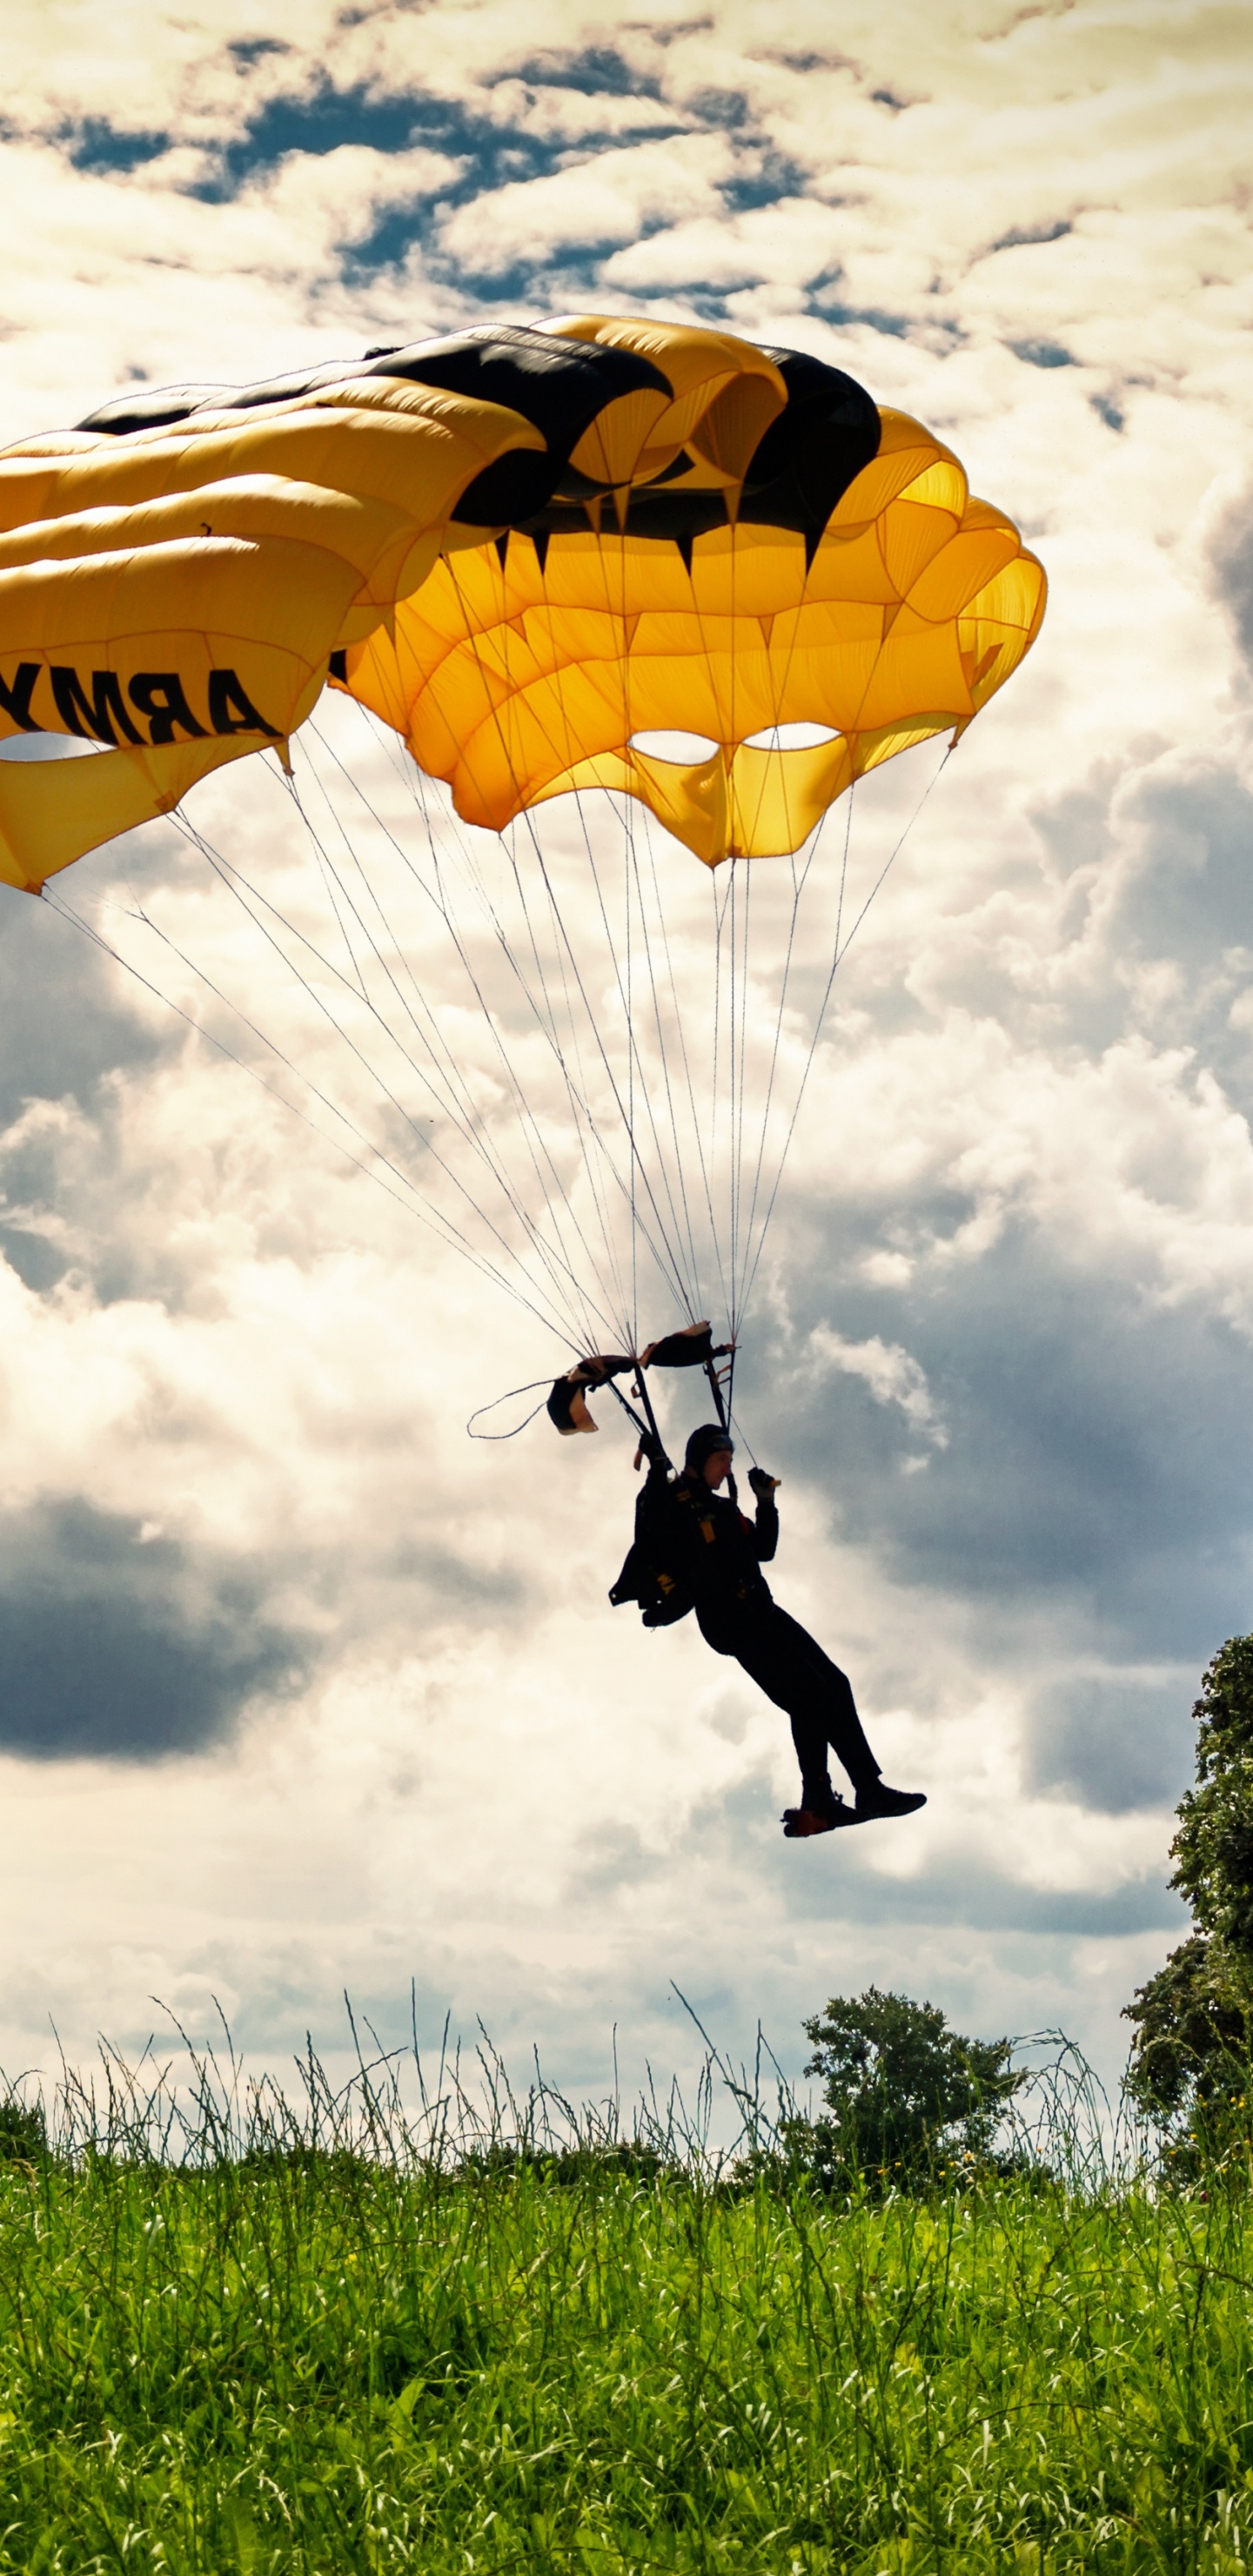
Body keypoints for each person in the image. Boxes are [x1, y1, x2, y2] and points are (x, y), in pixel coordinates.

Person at [616, 1422, 926, 1838]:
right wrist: (656, 1466)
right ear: (700, 1459)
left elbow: (762, 1549)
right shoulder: (675, 1501)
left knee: (835, 1684)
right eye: (721, 1460)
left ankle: (868, 1788)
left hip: (760, 1609)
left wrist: (766, 1502)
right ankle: (820, 1797)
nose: (727, 1470)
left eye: (729, 1461)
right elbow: (651, 1521)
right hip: (731, 1619)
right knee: (809, 1697)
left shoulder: (723, 1508)